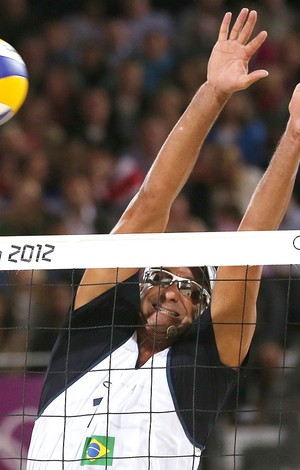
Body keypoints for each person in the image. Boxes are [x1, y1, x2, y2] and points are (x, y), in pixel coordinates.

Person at [27, 8, 300, 468]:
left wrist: (294, 138)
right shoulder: (92, 337)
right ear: (142, 286)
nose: (173, 291)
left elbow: (248, 251)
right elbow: (147, 207)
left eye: (191, 288)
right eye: (163, 278)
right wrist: (212, 93)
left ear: (201, 310)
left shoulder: (202, 370)